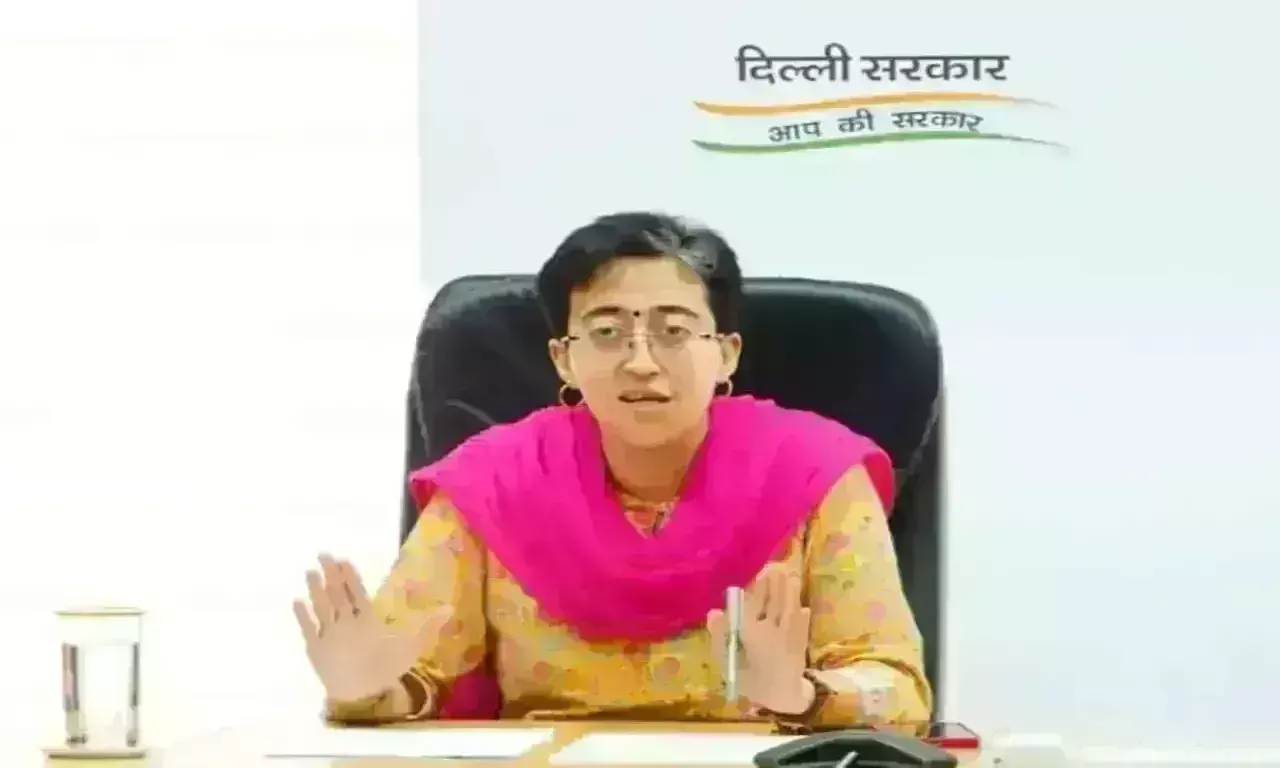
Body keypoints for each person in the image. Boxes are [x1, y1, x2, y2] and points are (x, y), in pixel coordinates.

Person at [293, 211, 933, 731]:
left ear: (725, 354)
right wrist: (367, 692)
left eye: (673, 331)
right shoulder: (493, 483)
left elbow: (898, 692)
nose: (641, 362)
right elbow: (412, 678)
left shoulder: (816, 477)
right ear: (563, 359)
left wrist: (805, 696)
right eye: (606, 333)